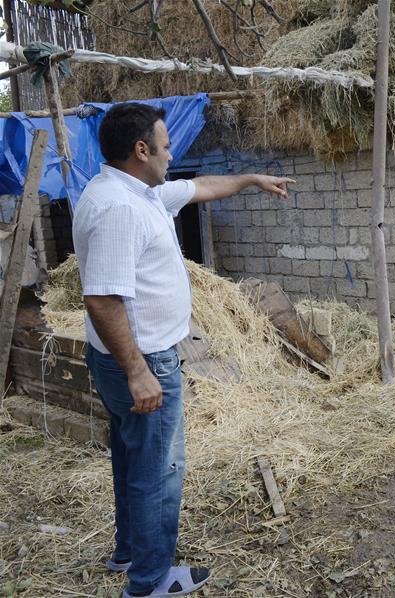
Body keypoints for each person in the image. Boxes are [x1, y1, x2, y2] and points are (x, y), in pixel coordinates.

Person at [73, 102, 293, 598]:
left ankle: (130, 551)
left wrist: (253, 179)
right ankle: (149, 582)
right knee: (159, 472)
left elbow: (198, 189)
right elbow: (102, 299)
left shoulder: (138, 191)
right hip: (142, 361)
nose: (173, 156)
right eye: (167, 146)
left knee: (133, 460)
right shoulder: (118, 208)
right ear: (141, 149)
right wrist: (137, 371)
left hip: (132, 358)